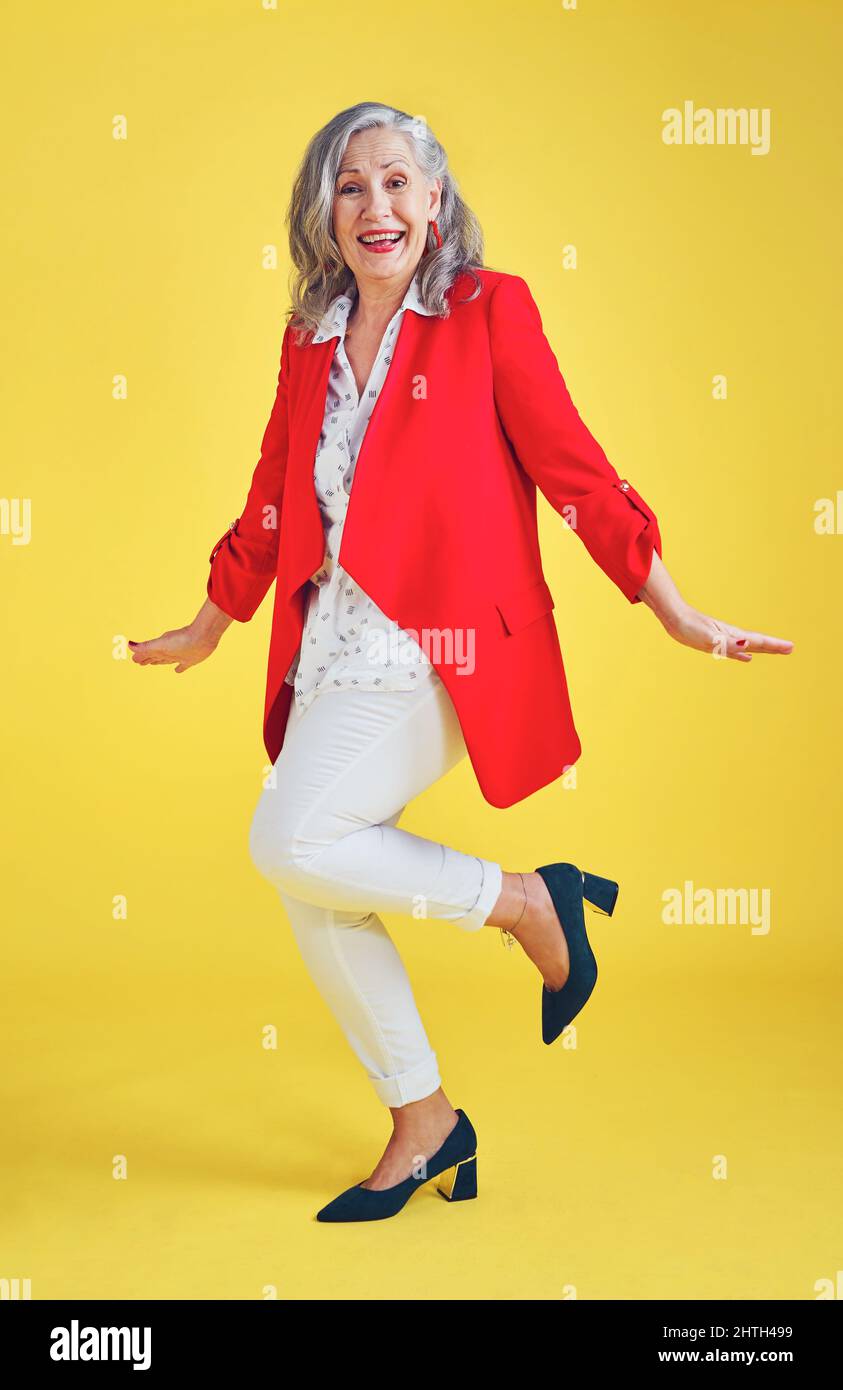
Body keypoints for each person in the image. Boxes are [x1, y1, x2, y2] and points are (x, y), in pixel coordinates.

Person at [129, 102, 793, 1223]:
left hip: (448, 652)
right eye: (351, 188)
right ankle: (426, 1118)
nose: (376, 207)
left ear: (436, 202)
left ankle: (529, 901)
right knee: (312, 883)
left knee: (292, 837)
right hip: (335, 648)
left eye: (398, 183)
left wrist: (671, 607)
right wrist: (210, 622)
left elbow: (576, 468)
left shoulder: (490, 310)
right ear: (323, 214)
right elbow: (276, 498)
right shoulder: (308, 339)